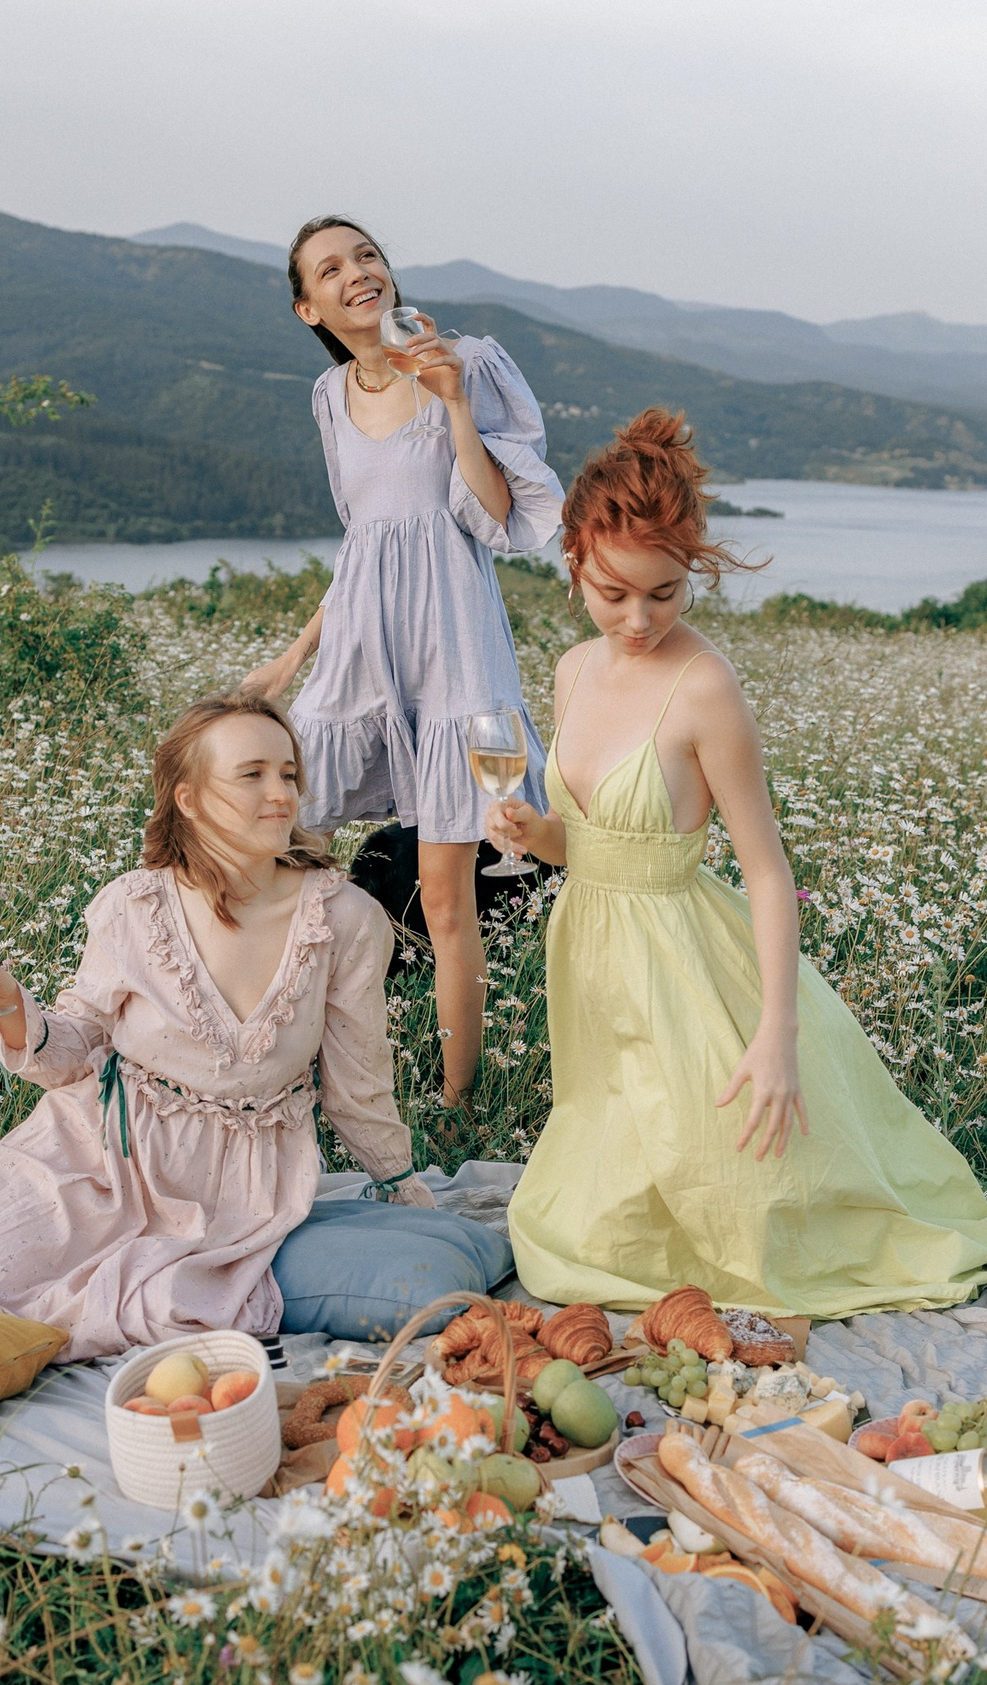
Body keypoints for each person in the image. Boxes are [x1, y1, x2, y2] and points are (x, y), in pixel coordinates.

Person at [487, 411, 987, 1316]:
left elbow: (768, 871)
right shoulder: (574, 670)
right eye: (615, 592)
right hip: (592, 948)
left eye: (664, 594)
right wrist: (531, 833)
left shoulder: (705, 686)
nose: (639, 619)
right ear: (574, 557)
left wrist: (776, 1032)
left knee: (732, 1190)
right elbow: (587, 842)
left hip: (685, 957)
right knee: (600, 1183)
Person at [0, 692, 431, 1360]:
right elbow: (74, 1052)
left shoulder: (343, 919)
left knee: (72, 1325)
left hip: (230, 1200)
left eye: (288, 773)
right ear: (190, 799)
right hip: (90, 1159)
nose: (281, 793)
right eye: (252, 773)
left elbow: (358, 1081)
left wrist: (400, 1186)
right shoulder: (132, 907)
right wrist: (9, 1009)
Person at [240, 216, 563, 1108]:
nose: (359, 273)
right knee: (281, 848)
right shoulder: (328, 397)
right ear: (310, 304)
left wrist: (453, 399)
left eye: (368, 255)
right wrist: (288, 662)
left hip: (457, 659)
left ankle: (459, 1105)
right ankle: (274, 1064)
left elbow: (494, 516)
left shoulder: (463, 359)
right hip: (361, 656)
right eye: (332, 268)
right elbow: (362, 550)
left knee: (449, 899)